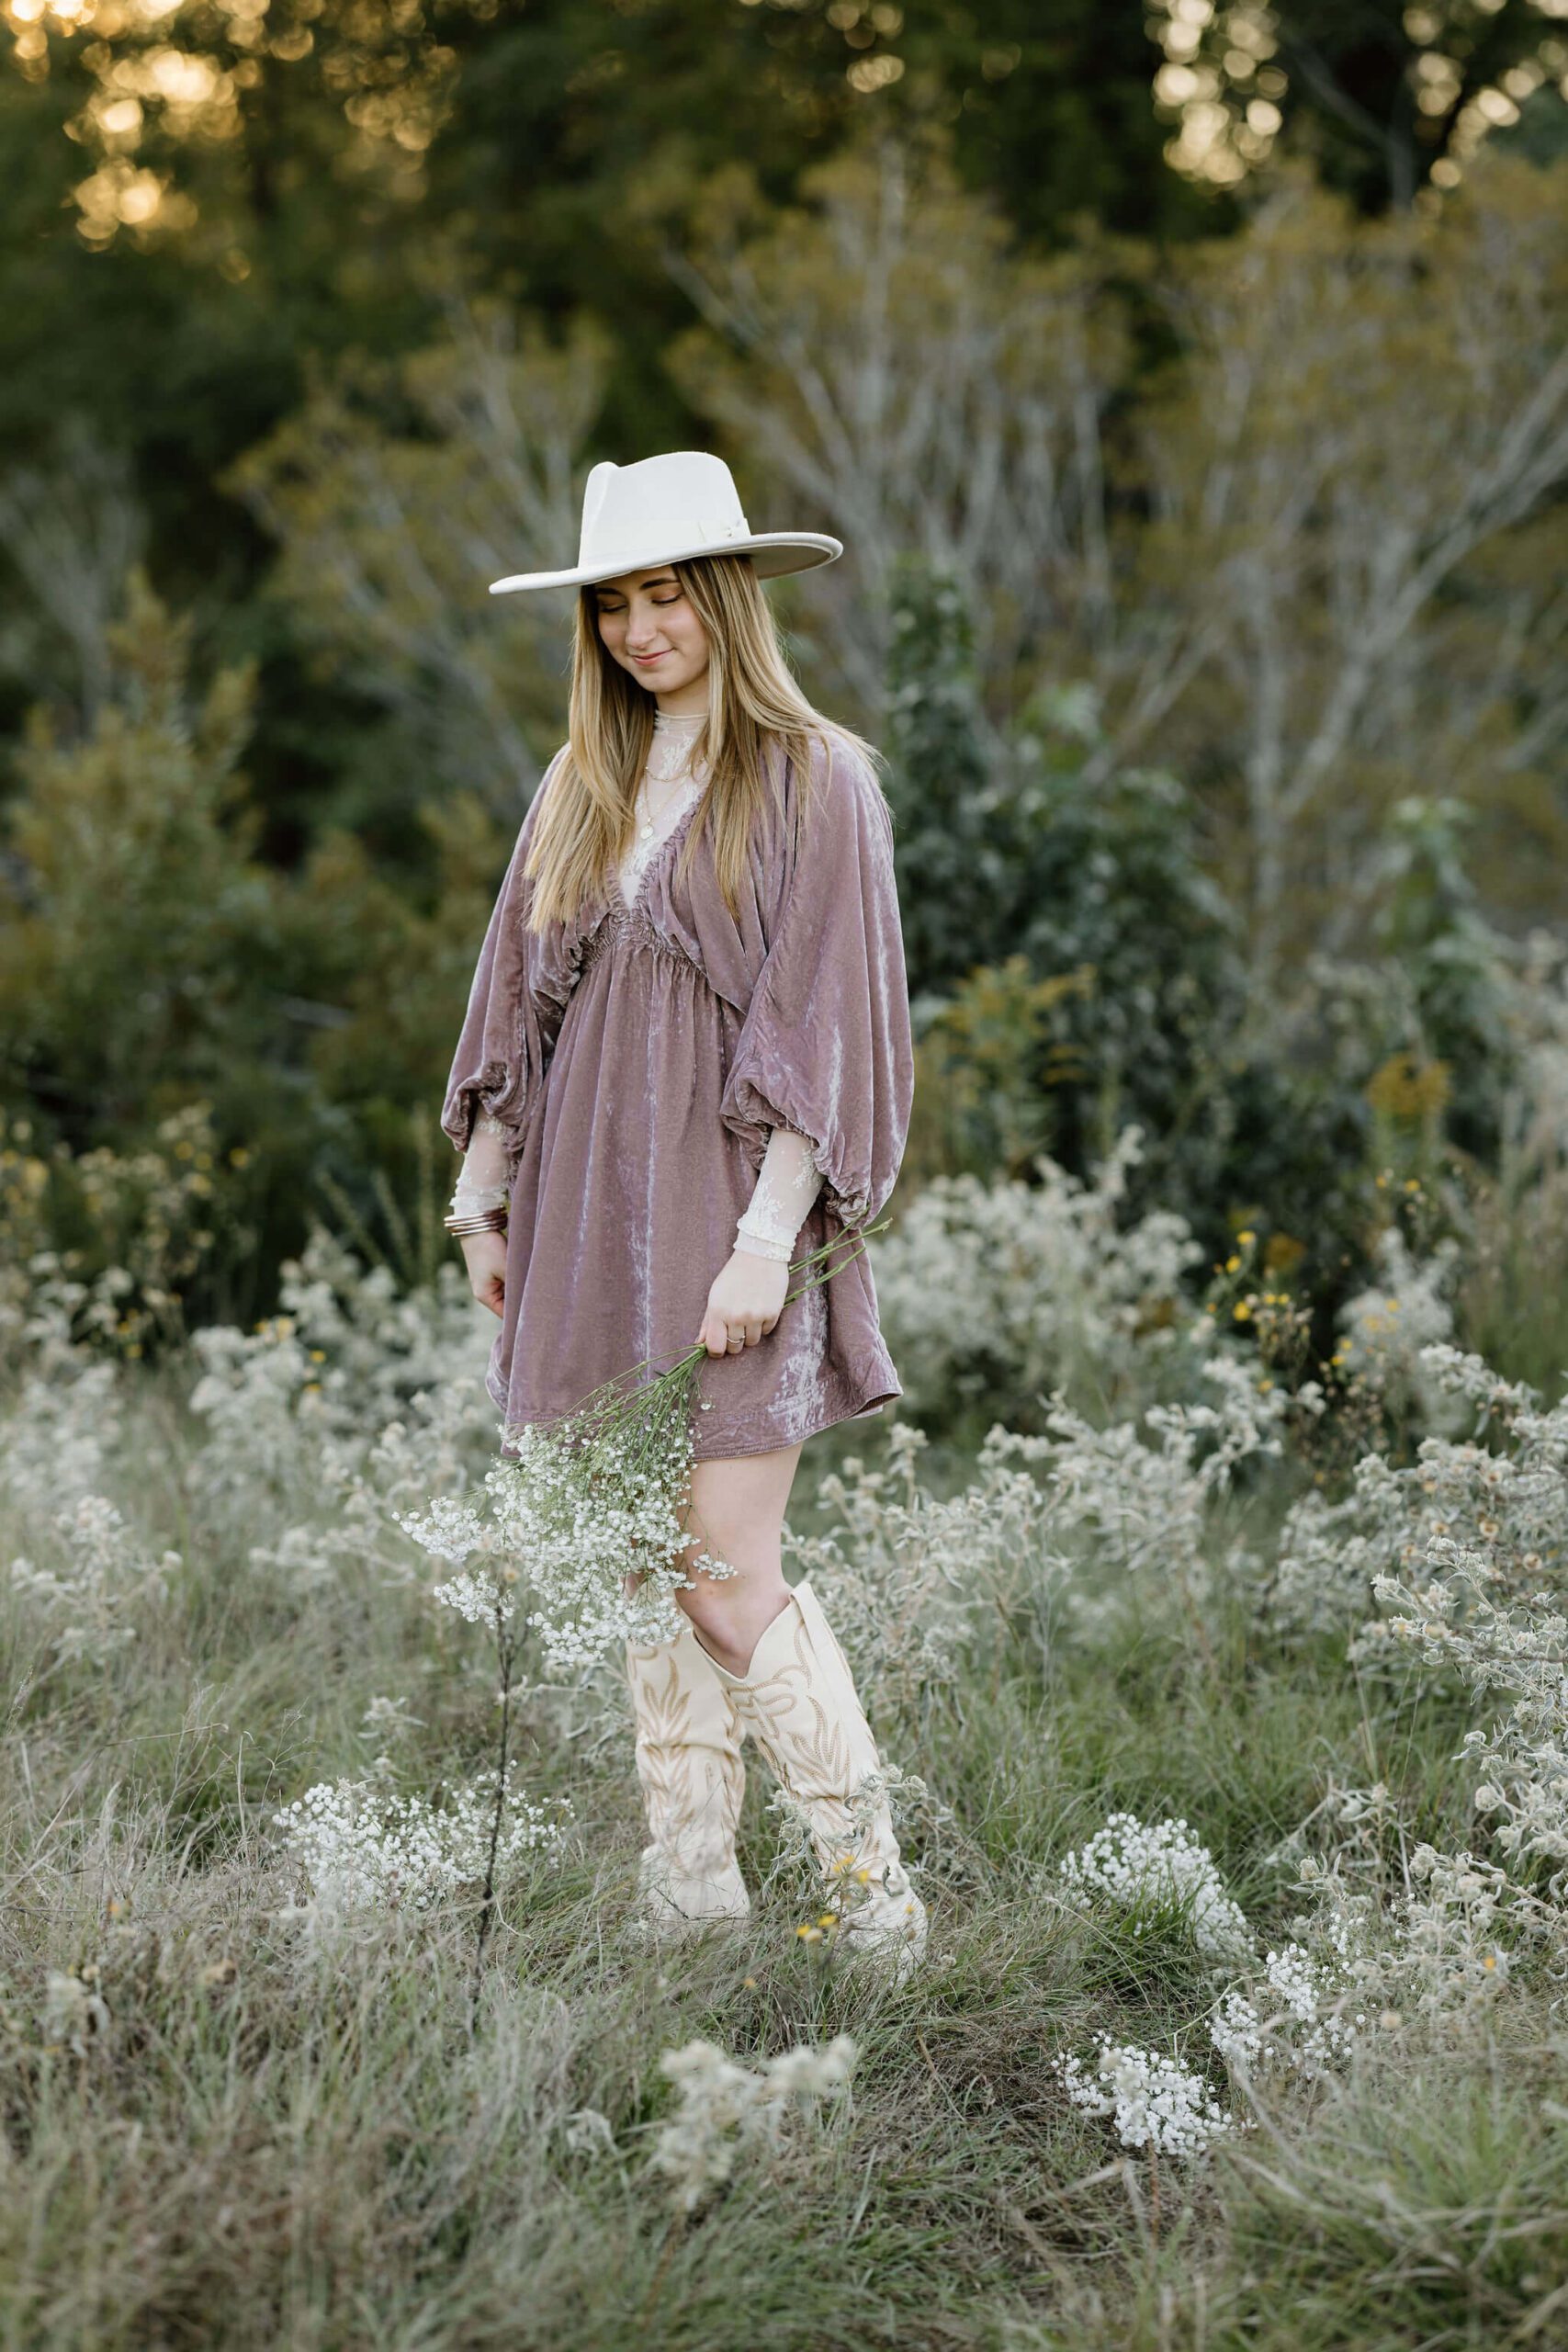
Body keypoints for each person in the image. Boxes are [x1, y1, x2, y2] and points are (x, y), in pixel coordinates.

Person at [441, 450, 926, 1970]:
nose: (643, 628)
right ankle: (693, 1903)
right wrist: (484, 1203)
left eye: (668, 595)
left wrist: (767, 1245)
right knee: (640, 1566)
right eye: (615, 603)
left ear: (723, 596)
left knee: (726, 1573)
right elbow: (518, 1006)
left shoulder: (813, 778)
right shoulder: (579, 781)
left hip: (727, 1214)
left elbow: (824, 1024)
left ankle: (878, 1912)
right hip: (584, 1209)